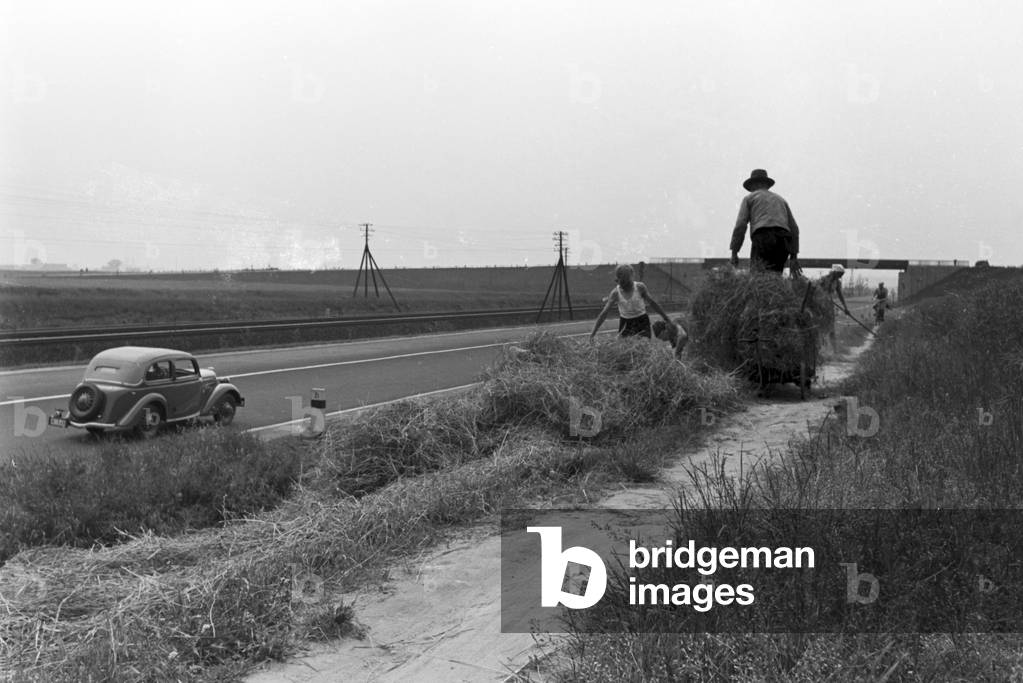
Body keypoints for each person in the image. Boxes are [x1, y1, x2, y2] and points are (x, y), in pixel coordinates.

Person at [729, 169, 802, 276]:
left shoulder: (749, 198)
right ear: (767, 185)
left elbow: (740, 225)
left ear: (754, 185)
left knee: (758, 277)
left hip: (763, 237)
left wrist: (734, 252)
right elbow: (794, 229)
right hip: (783, 240)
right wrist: (794, 256)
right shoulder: (781, 200)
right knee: (775, 276)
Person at [590, 264, 672, 340]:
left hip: (642, 322)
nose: (625, 285)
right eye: (622, 282)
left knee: (643, 347)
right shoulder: (615, 293)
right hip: (625, 324)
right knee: (624, 349)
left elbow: (653, 304)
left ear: (632, 277)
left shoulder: (640, 287)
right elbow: (604, 314)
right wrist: (593, 334)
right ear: (618, 280)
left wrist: (666, 318)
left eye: (627, 282)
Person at [819, 264, 849, 350]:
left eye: (841, 275)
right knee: (821, 327)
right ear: (834, 272)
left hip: (829, 306)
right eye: (839, 274)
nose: (840, 276)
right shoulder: (824, 279)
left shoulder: (837, 282)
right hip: (820, 305)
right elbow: (817, 290)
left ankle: (835, 350)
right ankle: (822, 350)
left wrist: (845, 308)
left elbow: (840, 296)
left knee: (831, 328)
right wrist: (823, 297)